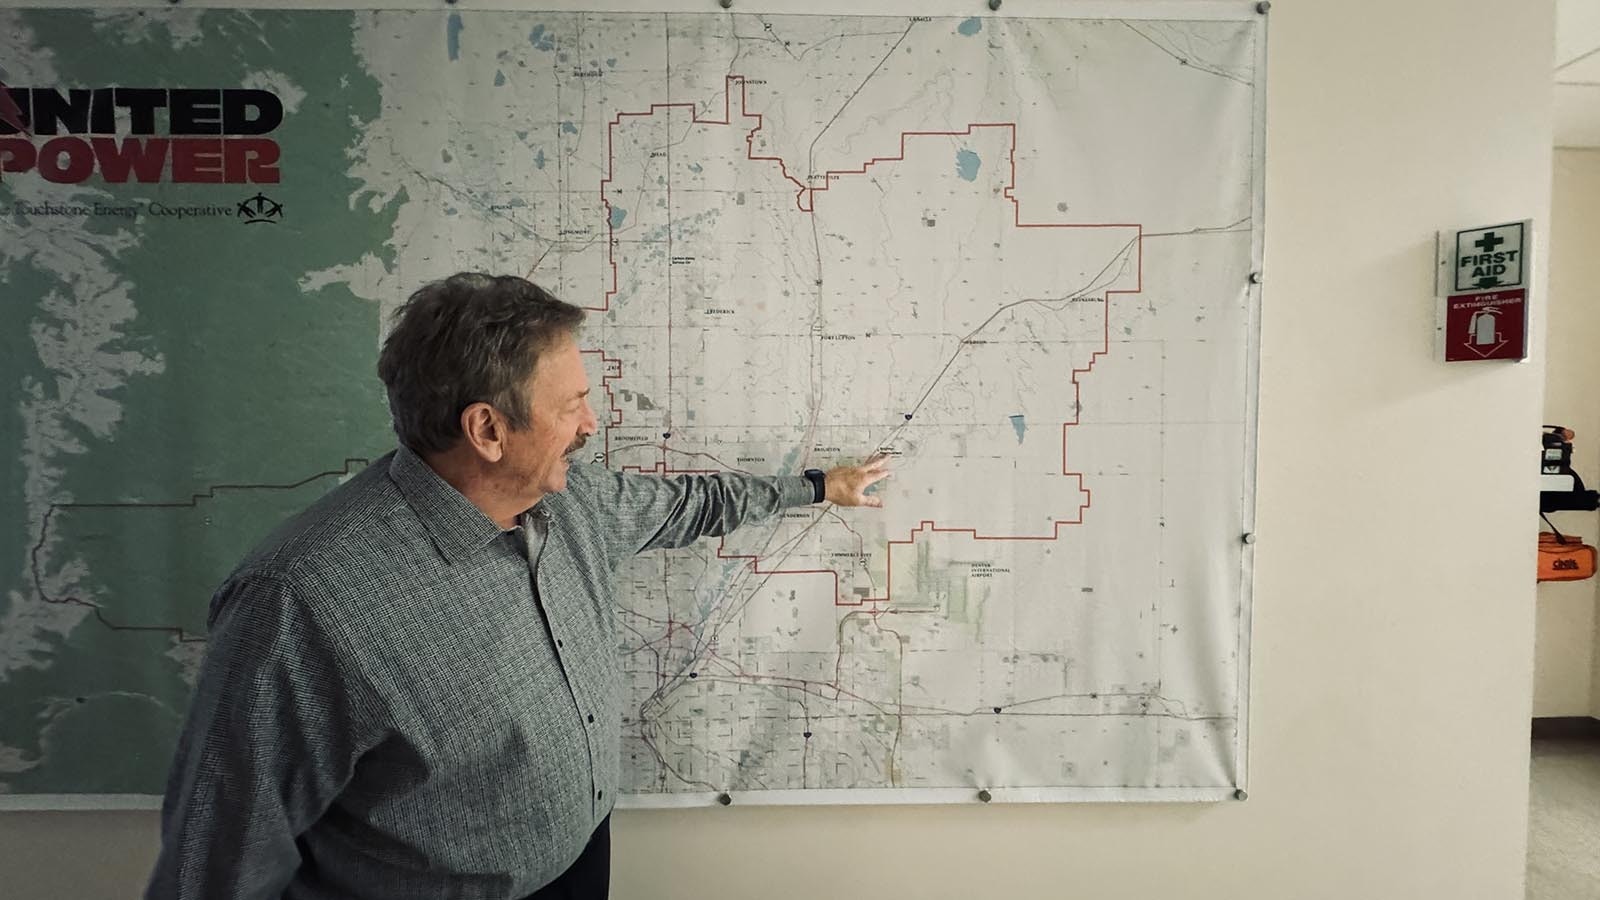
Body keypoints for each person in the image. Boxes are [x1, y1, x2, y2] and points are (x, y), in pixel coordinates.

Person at [145, 273, 889, 899]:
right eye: (572, 405)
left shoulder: (573, 503)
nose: (592, 423)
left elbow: (686, 505)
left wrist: (817, 488)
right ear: (488, 430)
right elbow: (219, 856)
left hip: (580, 867)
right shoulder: (300, 601)